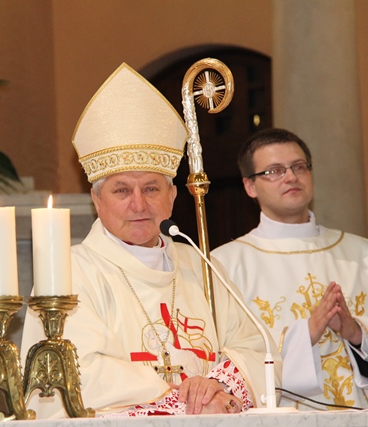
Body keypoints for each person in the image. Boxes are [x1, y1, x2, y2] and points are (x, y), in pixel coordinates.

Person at [20, 63, 280, 419]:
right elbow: (77, 373)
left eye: (152, 188)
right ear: (96, 200)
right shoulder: (67, 274)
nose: (139, 204)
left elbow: (257, 349)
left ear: (172, 196)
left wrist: (216, 385)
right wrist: (180, 398)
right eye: (122, 190)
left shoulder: (200, 265)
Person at [212, 127, 368, 410]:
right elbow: (224, 357)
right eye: (274, 171)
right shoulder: (225, 265)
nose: (291, 177)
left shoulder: (366, 256)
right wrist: (304, 335)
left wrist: (359, 334)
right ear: (249, 186)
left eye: (299, 167)